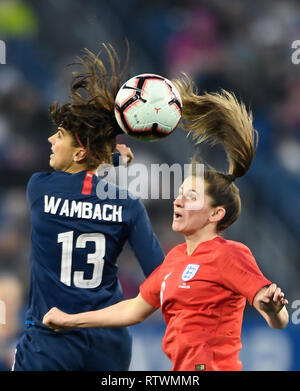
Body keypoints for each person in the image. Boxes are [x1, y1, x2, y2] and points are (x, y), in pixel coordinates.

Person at [43, 78, 289, 371]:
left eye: (191, 197)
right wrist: (70, 320)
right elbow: (134, 309)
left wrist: (274, 311)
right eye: (179, 194)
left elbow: (273, 311)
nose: (178, 202)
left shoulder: (229, 254)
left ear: (215, 214)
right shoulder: (174, 259)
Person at [12, 44, 165, 371]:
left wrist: (110, 162)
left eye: (61, 135)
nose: (51, 140)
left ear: (79, 152)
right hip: (108, 347)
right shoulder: (128, 205)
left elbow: (79, 188)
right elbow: (159, 279)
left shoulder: (39, 189)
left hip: (49, 341)